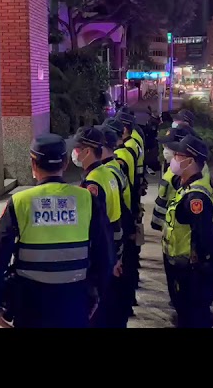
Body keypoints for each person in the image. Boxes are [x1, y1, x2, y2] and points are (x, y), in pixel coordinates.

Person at [0, 133, 113, 329]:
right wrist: (95, 297)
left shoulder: (20, 202)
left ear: (33, 164)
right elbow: (105, 255)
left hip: (30, 306)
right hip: (74, 303)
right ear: (65, 163)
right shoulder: (87, 199)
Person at [162, 134, 213, 327]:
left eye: (178, 155)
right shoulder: (189, 186)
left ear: (190, 161)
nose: (173, 158)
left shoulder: (196, 197)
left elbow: (205, 235)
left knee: (194, 317)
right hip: (185, 267)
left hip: (193, 270)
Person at [72, 126, 125, 328]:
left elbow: (95, 225)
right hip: (113, 246)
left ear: (87, 151)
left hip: (101, 253)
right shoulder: (106, 172)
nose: (75, 153)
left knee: (97, 312)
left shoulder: (93, 182)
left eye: (78, 148)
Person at [151, 124, 198, 307]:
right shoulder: (175, 170)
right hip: (171, 235)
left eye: (169, 147)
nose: (165, 150)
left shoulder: (184, 175)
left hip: (182, 243)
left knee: (185, 293)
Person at [104, 117, 140, 315]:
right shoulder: (123, 155)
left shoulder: (115, 163)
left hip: (120, 225)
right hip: (127, 218)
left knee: (122, 270)